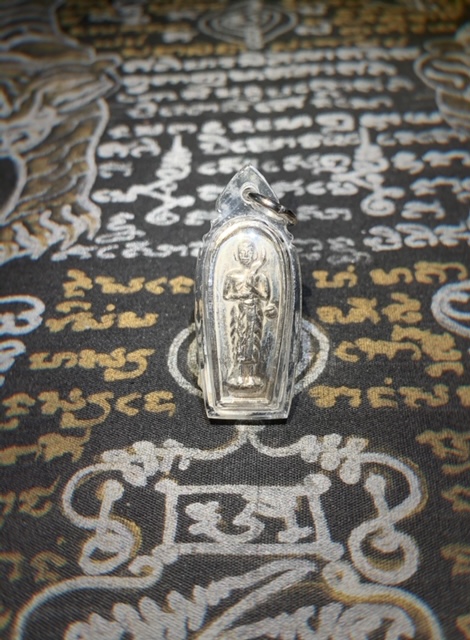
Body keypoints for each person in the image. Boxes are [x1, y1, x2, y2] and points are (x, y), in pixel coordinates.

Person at [223, 239, 277, 390]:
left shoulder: (260, 277)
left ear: (254, 255)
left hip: (254, 311)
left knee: (253, 342)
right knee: (239, 342)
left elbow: (265, 296)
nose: (245, 255)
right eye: (242, 252)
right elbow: (226, 295)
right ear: (237, 255)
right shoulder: (232, 275)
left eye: (249, 252)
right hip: (238, 311)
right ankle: (239, 376)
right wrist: (241, 295)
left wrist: (252, 287)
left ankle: (251, 376)